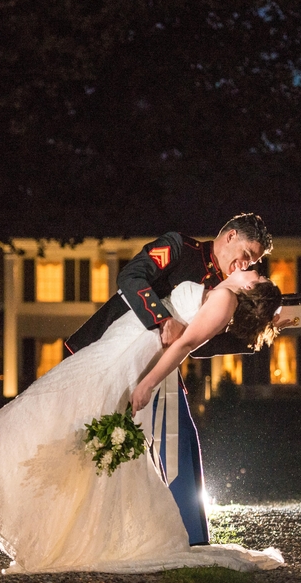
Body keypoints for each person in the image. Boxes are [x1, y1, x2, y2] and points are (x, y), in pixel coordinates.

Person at [0, 269, 285, 574]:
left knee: (61, 399)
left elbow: (183, 346)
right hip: (124, 337)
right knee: (61, 401)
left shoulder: (225, 301)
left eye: (260, 277)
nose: (255, 271)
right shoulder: (223, 291)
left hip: (134, 350)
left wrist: (147, 383)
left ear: (250, 291)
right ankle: (20, 489)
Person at [65, 213, 275, 545]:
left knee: (180, 442)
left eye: (253, 262)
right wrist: (162, 320)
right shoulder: (179, 247)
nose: (245, 265)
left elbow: (199, 345)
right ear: (231, 235)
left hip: (159, 366)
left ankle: (187, 537)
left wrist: (258, 336)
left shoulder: (225, 288)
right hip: (113, 350)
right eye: (247, 255)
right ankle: (85, 531)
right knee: (88, 444)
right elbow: (131, 277)